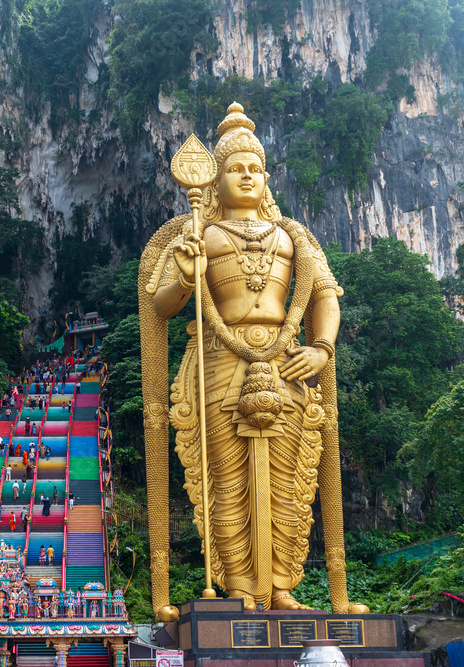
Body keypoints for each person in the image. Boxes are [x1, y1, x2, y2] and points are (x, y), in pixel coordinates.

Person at [142, 103, 353, 615]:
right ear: (216, 179)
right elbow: (160, 305)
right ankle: (238, 587)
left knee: (287, 482)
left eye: (255, 168)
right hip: (220, 361)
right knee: (227, 480)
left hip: (286, 361)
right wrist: (187, 276)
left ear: (266, 178)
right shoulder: (199, 235)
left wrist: (321, 348)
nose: (246, 176)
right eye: (235, 168)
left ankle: (280, 587)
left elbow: (325, 296)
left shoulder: (293, 236)